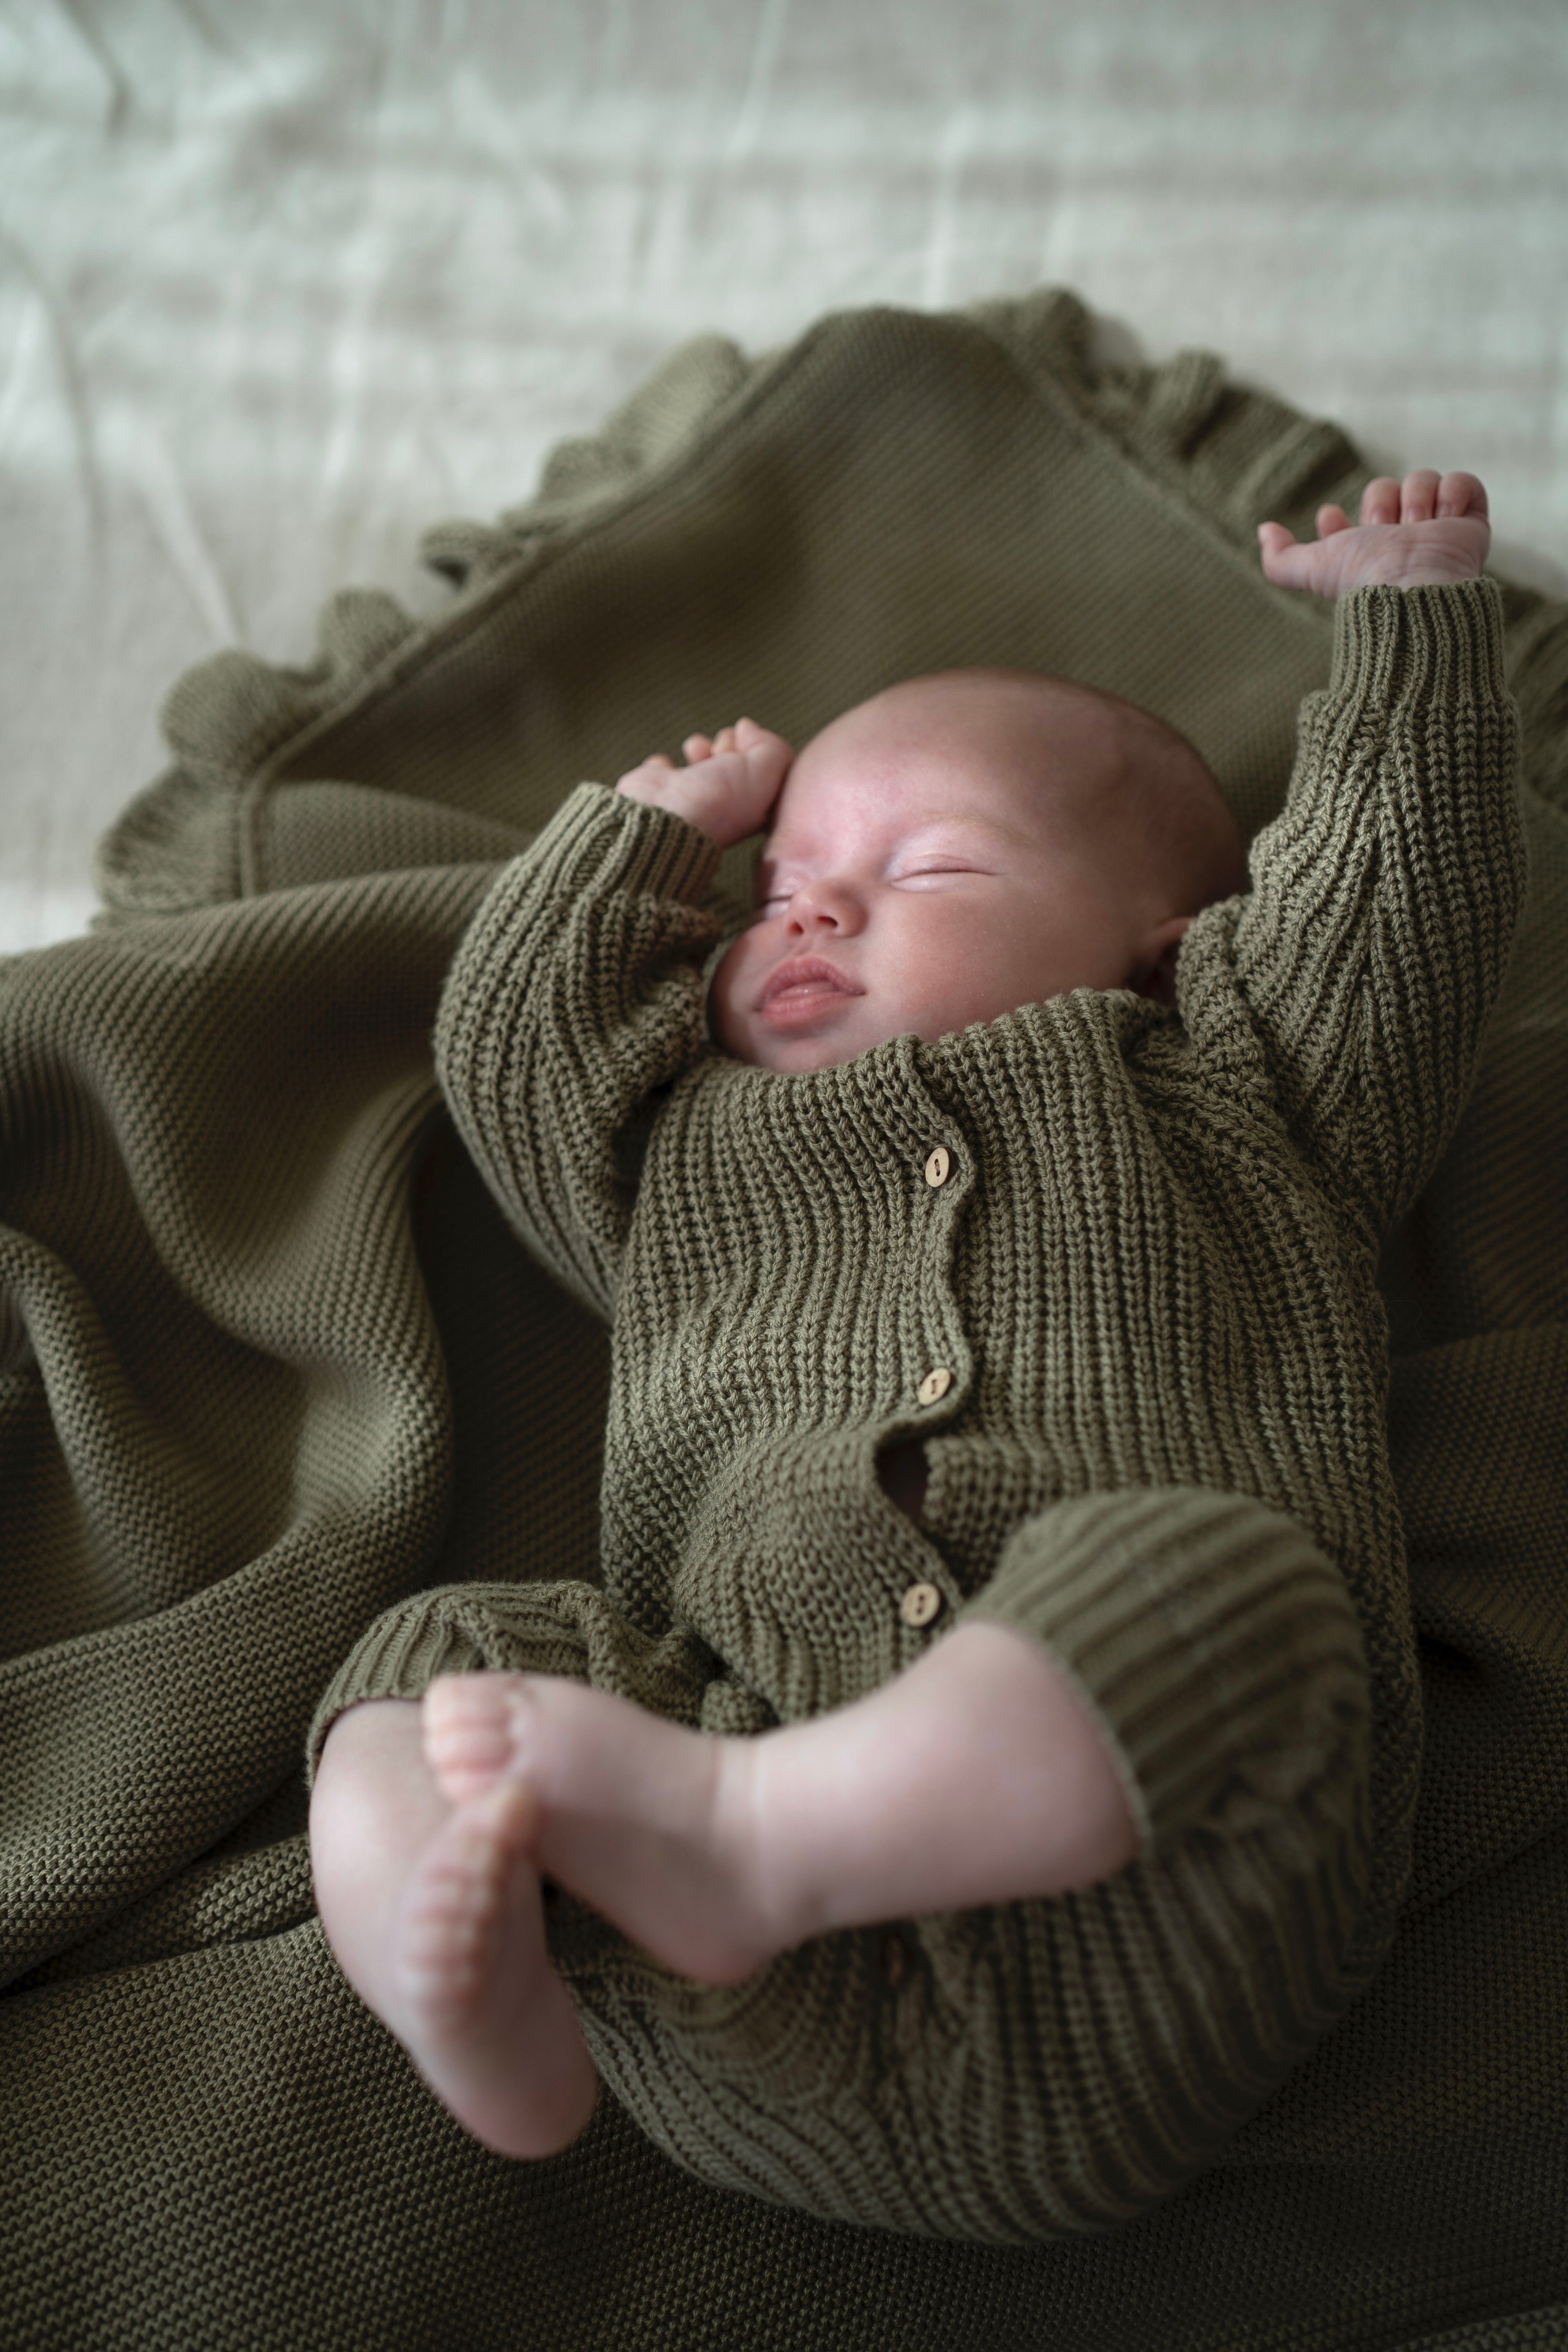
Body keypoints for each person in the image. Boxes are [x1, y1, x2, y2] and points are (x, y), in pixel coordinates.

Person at [307, 470, 1521, 2215]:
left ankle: (751, 1838)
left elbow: (1399, 910)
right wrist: (638, 839)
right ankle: (471, 1987)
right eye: (778, 884)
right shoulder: (685, 1154)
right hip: (743, 2021)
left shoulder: (1237, 1091)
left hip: (1180, 1891)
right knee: (435, 1672)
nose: (807, 909)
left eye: (927, 867)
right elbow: (513, 1057)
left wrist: (1414, 620)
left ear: (1165, 958)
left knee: (1220, 1585)